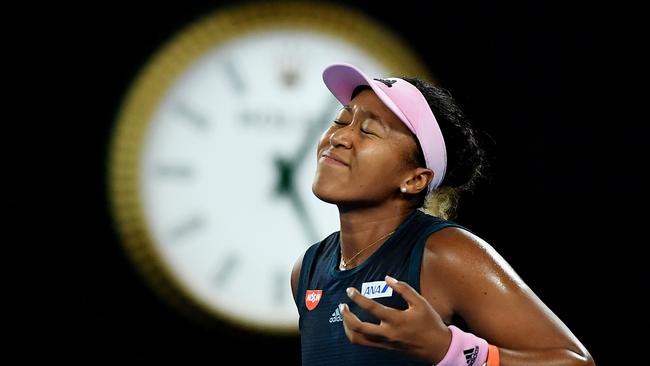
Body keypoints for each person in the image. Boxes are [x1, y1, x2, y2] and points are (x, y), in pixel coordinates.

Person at [291, 63, 595, 366]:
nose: (339, 138)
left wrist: (449, 350)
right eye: (341, 121)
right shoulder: (307, 270)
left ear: (414, 179)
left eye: (368, 131)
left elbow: (575, 362)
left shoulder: (444, 254)